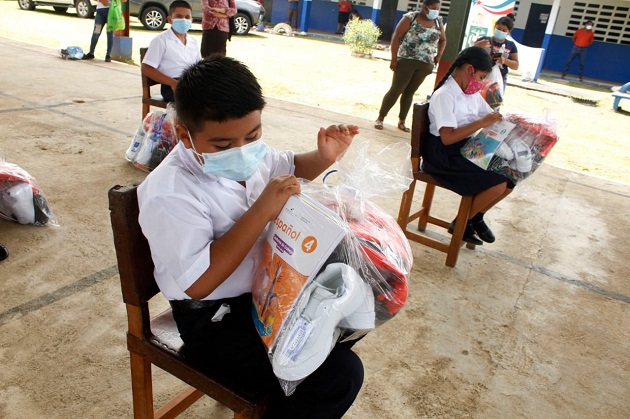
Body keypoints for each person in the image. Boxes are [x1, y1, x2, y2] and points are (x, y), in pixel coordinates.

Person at [137, 56, 364, 417]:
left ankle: (290, 388)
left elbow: (290, 165)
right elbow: (198, 284)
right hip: (213, 319)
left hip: (266, 294)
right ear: (185, 135)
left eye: (254, 135)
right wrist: (261, 211)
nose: (243, 150)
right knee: (338, 374)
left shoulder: (253, 156)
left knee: (356, 308)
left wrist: (324, 157)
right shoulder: (169, 192)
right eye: (223, 145)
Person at [423, 46, 514, 245]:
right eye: (481, 77)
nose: (480, 83)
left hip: (462, 149)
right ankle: (463, 222)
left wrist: (510, 121)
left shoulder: (469, 92)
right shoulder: (445, 95)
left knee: (511, 177)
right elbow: (447, 137)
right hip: (442, 156)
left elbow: (488, 114)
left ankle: (474, 217)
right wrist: (482, 123)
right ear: (470, 70)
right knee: (498, 182)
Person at [374, 0, 446, 133]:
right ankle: (381, 117)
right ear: (425, 7)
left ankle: (402, 121)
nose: (436, 11)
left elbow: (443, 40)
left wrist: (438, 55)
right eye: (433, 8)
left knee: (410, 92)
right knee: (396, 90)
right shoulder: (410, 18)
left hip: (426, 64)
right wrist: (394, 58)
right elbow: (396, 37)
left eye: (438, 8)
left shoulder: (438, 21)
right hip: (406, 60)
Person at [141, 1, 202, 103]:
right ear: (170, 19)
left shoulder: (193, 42)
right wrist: (173, 83)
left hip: (191, 82)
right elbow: (146, 68)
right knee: (201, 102)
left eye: (187, 17)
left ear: (191, 20)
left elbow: (199, 66)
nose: (183, 20)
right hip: (172, 86)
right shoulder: (161, 40)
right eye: (179, 16)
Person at [474, 14, 519, 90]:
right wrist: (476, 46)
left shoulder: (511, 45)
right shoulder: (484, 40)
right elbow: (468, 54)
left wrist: (505, 61)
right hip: (480, 77)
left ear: (509, 32)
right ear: (494, 27)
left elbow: (516, 65)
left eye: (504, 30)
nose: (500, 31)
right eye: (498, 28)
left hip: (499, 80)